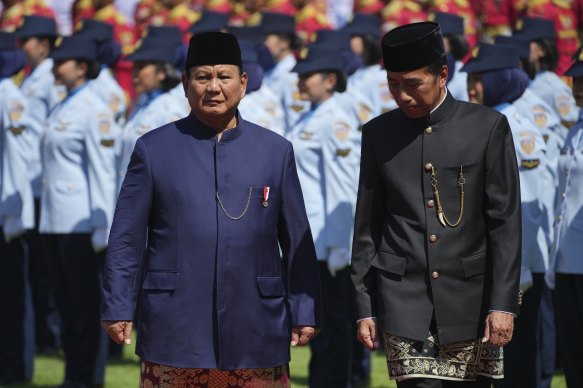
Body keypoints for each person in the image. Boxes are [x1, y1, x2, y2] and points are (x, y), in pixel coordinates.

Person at [101, 31, 322, 387]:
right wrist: (117, 306)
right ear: (186, 84)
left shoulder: (274, 151)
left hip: (255, 323)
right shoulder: (153, 149)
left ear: (243, 82)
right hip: (176, 323)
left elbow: (296, 237)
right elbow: (126, 236)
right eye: (202, 77)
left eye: (224, 77)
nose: (213, 87)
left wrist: (305, 308)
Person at [351, 22, 521, 388]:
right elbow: (368, 226)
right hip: (403, 298)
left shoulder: (487, 128)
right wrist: (365, 306)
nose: (402, 95)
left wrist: (503, 304)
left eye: (413, 83)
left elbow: (505, 225)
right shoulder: (378, 133)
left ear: (442, 74)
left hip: (470, 300)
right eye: (393, 84)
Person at [461, 43, 550, 388]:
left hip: (517, 270)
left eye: (481, 77)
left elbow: (527, 206)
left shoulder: (514, 126)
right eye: (470, 76)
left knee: (519, 364)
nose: (472, 85)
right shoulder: (489, 120)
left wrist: (518, 271)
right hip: (496, 265)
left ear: (501, 79)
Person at [40, 36, 120, 388]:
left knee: (86, 308)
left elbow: (103, 171)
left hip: (83, 222)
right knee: (67, 305)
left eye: (63, 61)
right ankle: (73, 375)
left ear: (82, 67)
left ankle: (89, 378)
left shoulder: (94, 109)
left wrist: (102, 227)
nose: (56, 67)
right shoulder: (63, 105)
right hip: (56, 220)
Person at [287, 44, 360, 388]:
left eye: (307, 75)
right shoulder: (311, 115)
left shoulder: (336, 120)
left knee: (333, 326)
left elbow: (343, 188)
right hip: (310, 239)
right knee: (318, 326)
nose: (301, 81)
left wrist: (340, 247)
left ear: (331, 79)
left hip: (326, 242)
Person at [15, 13, 64, 356]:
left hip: (42, 182)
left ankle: (51, 334)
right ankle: (44, 334)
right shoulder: (31, 77)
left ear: (44, 45)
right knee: (35, 265)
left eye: (26, 40)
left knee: (46, 266)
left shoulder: (50, 78)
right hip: (28, 179)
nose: (21, 46)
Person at [0, 30, 40, 386]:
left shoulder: (8, 96)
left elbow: (17, 159)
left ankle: (16, 367)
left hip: (7, 210)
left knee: (13, 293)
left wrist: (13, 214)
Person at [546, 48, 583, 388]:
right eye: (575, 78)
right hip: (568, 258)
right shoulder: (575, 129)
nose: (578, 86)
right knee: (573, 354)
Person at [117, 35, 187, 186]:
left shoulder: (169, 111)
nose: (134, 73)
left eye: (141, 66)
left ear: (161, 72)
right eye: (134, 66)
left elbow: (174, 170)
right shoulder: (141, 104)